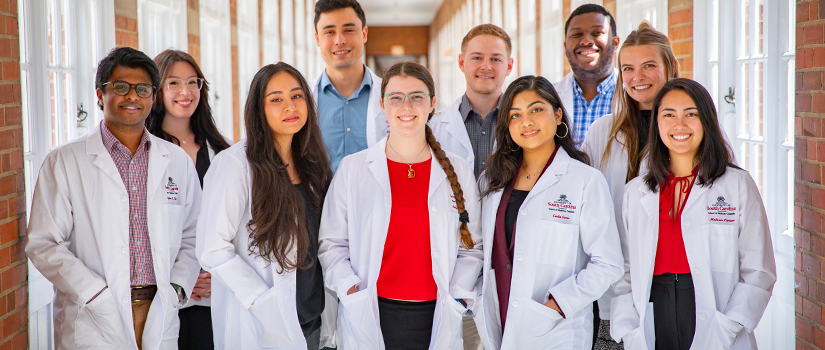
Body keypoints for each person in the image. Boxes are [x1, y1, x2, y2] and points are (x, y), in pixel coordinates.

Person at [25, 46, 201, 349]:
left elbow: (194, 233)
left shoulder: (176, 160)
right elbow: (43, 243)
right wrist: (95, 294)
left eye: (143, 89)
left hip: (158, 309)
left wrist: (176, 287)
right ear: (99, 94)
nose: (133, 96)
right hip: (93, 314)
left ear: (153, 97)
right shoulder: (65, 161)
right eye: (121, 87)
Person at [318, 61, 482, 350]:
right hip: (371, 311)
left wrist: (456, 296)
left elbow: (472, 247)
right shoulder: (353, 168)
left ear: (432, 103)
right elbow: (331, 244)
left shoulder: (457, 170)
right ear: (383, 104)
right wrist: (352, 289)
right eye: (396, 97)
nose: (406, 106)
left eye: (417, 97)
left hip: (437, 314)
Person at [610, 78, 776, 350]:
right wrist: (629, 329)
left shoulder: (736, 185)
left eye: (691, 114)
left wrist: (728, 325)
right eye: (668, 115)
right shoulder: (635, 192)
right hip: (653, 314)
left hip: (715, 315)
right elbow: (622, 273)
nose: (679, 125)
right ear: (657, 124)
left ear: (707, 121)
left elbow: (759, 270)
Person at [474, 75, 624, 349]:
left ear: (557, 114)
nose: (526, 122)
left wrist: (558, 305)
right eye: (515, 114)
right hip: (500, 317)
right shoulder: (492, 181)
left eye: (536, 110)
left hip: (556, 328)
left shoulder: (585, 181)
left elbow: (608, 263)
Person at [197, 62, 334, 350]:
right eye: (276, 99)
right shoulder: (235, 165)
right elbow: (212, 247)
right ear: (259, 110)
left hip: (312, 323)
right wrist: (264, 301)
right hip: (263, 325)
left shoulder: (313, 165)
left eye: (297, 96)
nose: (290, 106)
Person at [581, 21, 679, 349]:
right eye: (628, 68)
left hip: (671, 288)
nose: (638, 76)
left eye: (649, 66)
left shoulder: (690, 131)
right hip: (609, 291)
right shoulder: (601, 132)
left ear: (670, 68)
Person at [145, 48, 232, 350]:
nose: (186, 91)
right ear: (157, 91)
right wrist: (184, 278)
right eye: (174, 83)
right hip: (161, 292)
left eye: (193, 82)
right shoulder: (145, 152)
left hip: (215, 292)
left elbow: (234, 223)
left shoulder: (222, 151)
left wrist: (214, 276)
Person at [312, 0, 387, 172]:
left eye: (349, 30)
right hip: (320, 199)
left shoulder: (391, 96)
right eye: (329, 32)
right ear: (317, 39)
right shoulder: (304, 99)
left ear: (364, 33)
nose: (339, 40)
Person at [430, 23, 514, 178]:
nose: (486, 66)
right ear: (461, 62)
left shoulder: (522, 124)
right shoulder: (434, 127)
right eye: (477, 58)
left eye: (495, 59)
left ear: (509, 66)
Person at [553, 4, 620, 145]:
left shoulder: (635, 95)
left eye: (597, 32)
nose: (586, 41)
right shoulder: (549, 96)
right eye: (576, 34)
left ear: (615, 43)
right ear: (565, 46)